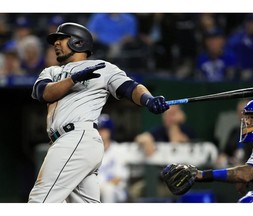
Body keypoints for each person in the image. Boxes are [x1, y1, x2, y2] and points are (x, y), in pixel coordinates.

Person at [28, 22, 170, 203]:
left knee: (39, 201)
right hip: (67, 143)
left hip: (77, 138)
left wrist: (148, 99)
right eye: (55, 40)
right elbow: (44, 93)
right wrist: (73, 79)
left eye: (61, 38)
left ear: (78, 43)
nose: (56, 43)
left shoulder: (103, 67)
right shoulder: (51, 71)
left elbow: (131, 88)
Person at [161, 98, 253, 203]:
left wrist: (201, 174)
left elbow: (245, 173)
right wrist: (247, 178)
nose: (247, 121)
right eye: (246, 117)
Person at [97, 114, 130, 203]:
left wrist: (103, 186)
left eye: (104, 129)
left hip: (116, 189)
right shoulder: (92, 151)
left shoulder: (118, 150)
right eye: (99, 130)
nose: (101, 132)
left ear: (110, 131)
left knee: (108, 189)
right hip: (97, 188)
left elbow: (119, 177)